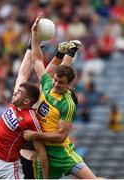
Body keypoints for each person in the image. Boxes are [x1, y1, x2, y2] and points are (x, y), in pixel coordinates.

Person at [23, 14, 98, 179]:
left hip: (62, 153)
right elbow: (36, 59)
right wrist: (34, 33)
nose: (56, 84)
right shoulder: (49, 85)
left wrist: (35, 135)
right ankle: (67, 51)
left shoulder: (68, 104)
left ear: (70, 85)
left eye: (61, 83)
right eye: (56, 80)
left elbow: (60, 135)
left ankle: (68, 51)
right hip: (43, 153)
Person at [0, 40, 48, 179]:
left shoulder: (30, 118)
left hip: (7, 168)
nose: (15, 93)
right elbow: (22, 75)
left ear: (26, 101)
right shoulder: (16, 104)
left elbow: (41, 151)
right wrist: (30, 49)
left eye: (19, 93)